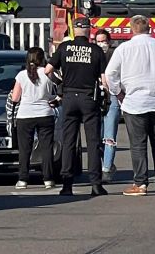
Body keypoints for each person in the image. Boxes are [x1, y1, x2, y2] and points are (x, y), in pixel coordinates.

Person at [105, 14, 155, 196]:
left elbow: (110, 74)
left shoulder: (124, 49)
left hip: (134, 103)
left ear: (131, 28)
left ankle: (140, 183)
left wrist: (118, 93)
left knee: (138, 144)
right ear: (150, 27)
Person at [52, 14, 108, 196]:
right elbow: (104, 80)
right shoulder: (96, 51)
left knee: (69, 141)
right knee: (93, 142)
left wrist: (60, 84)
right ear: (88, 31)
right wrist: (106, 96)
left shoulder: (64, 48)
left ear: (74, 31)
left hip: (69, 97)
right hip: (88, 98)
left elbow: (47, 70)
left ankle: (67, 185)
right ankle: (96, 184)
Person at [6, 46, 59, 189]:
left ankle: (23, 179)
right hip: (45, 113)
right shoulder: (47, 73)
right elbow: (59, 87)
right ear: (43, 59)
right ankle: (48, 179)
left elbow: (15, 97)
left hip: (25, 115)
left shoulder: (22, 75)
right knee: (46, 147)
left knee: (25, 149)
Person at [93, 28, 122, 181]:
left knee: (109, 135)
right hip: (96, 98)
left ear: (109, 42)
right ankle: (106, 163)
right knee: (98, 136)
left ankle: (106, 168)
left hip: (112, 97)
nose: (102, 44)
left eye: (104, 41)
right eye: (99, 41)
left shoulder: (115, 55)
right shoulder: (92, 55)